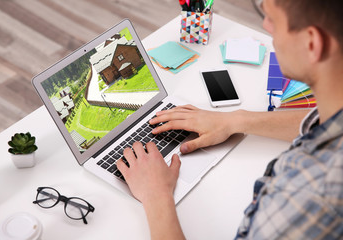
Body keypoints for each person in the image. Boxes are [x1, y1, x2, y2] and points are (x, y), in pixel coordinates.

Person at [117, 0, 343, 238]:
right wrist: (235, 120)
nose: (266, 26)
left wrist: (156, 195)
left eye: (273, 19)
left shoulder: (311, 196)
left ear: (312, 44)